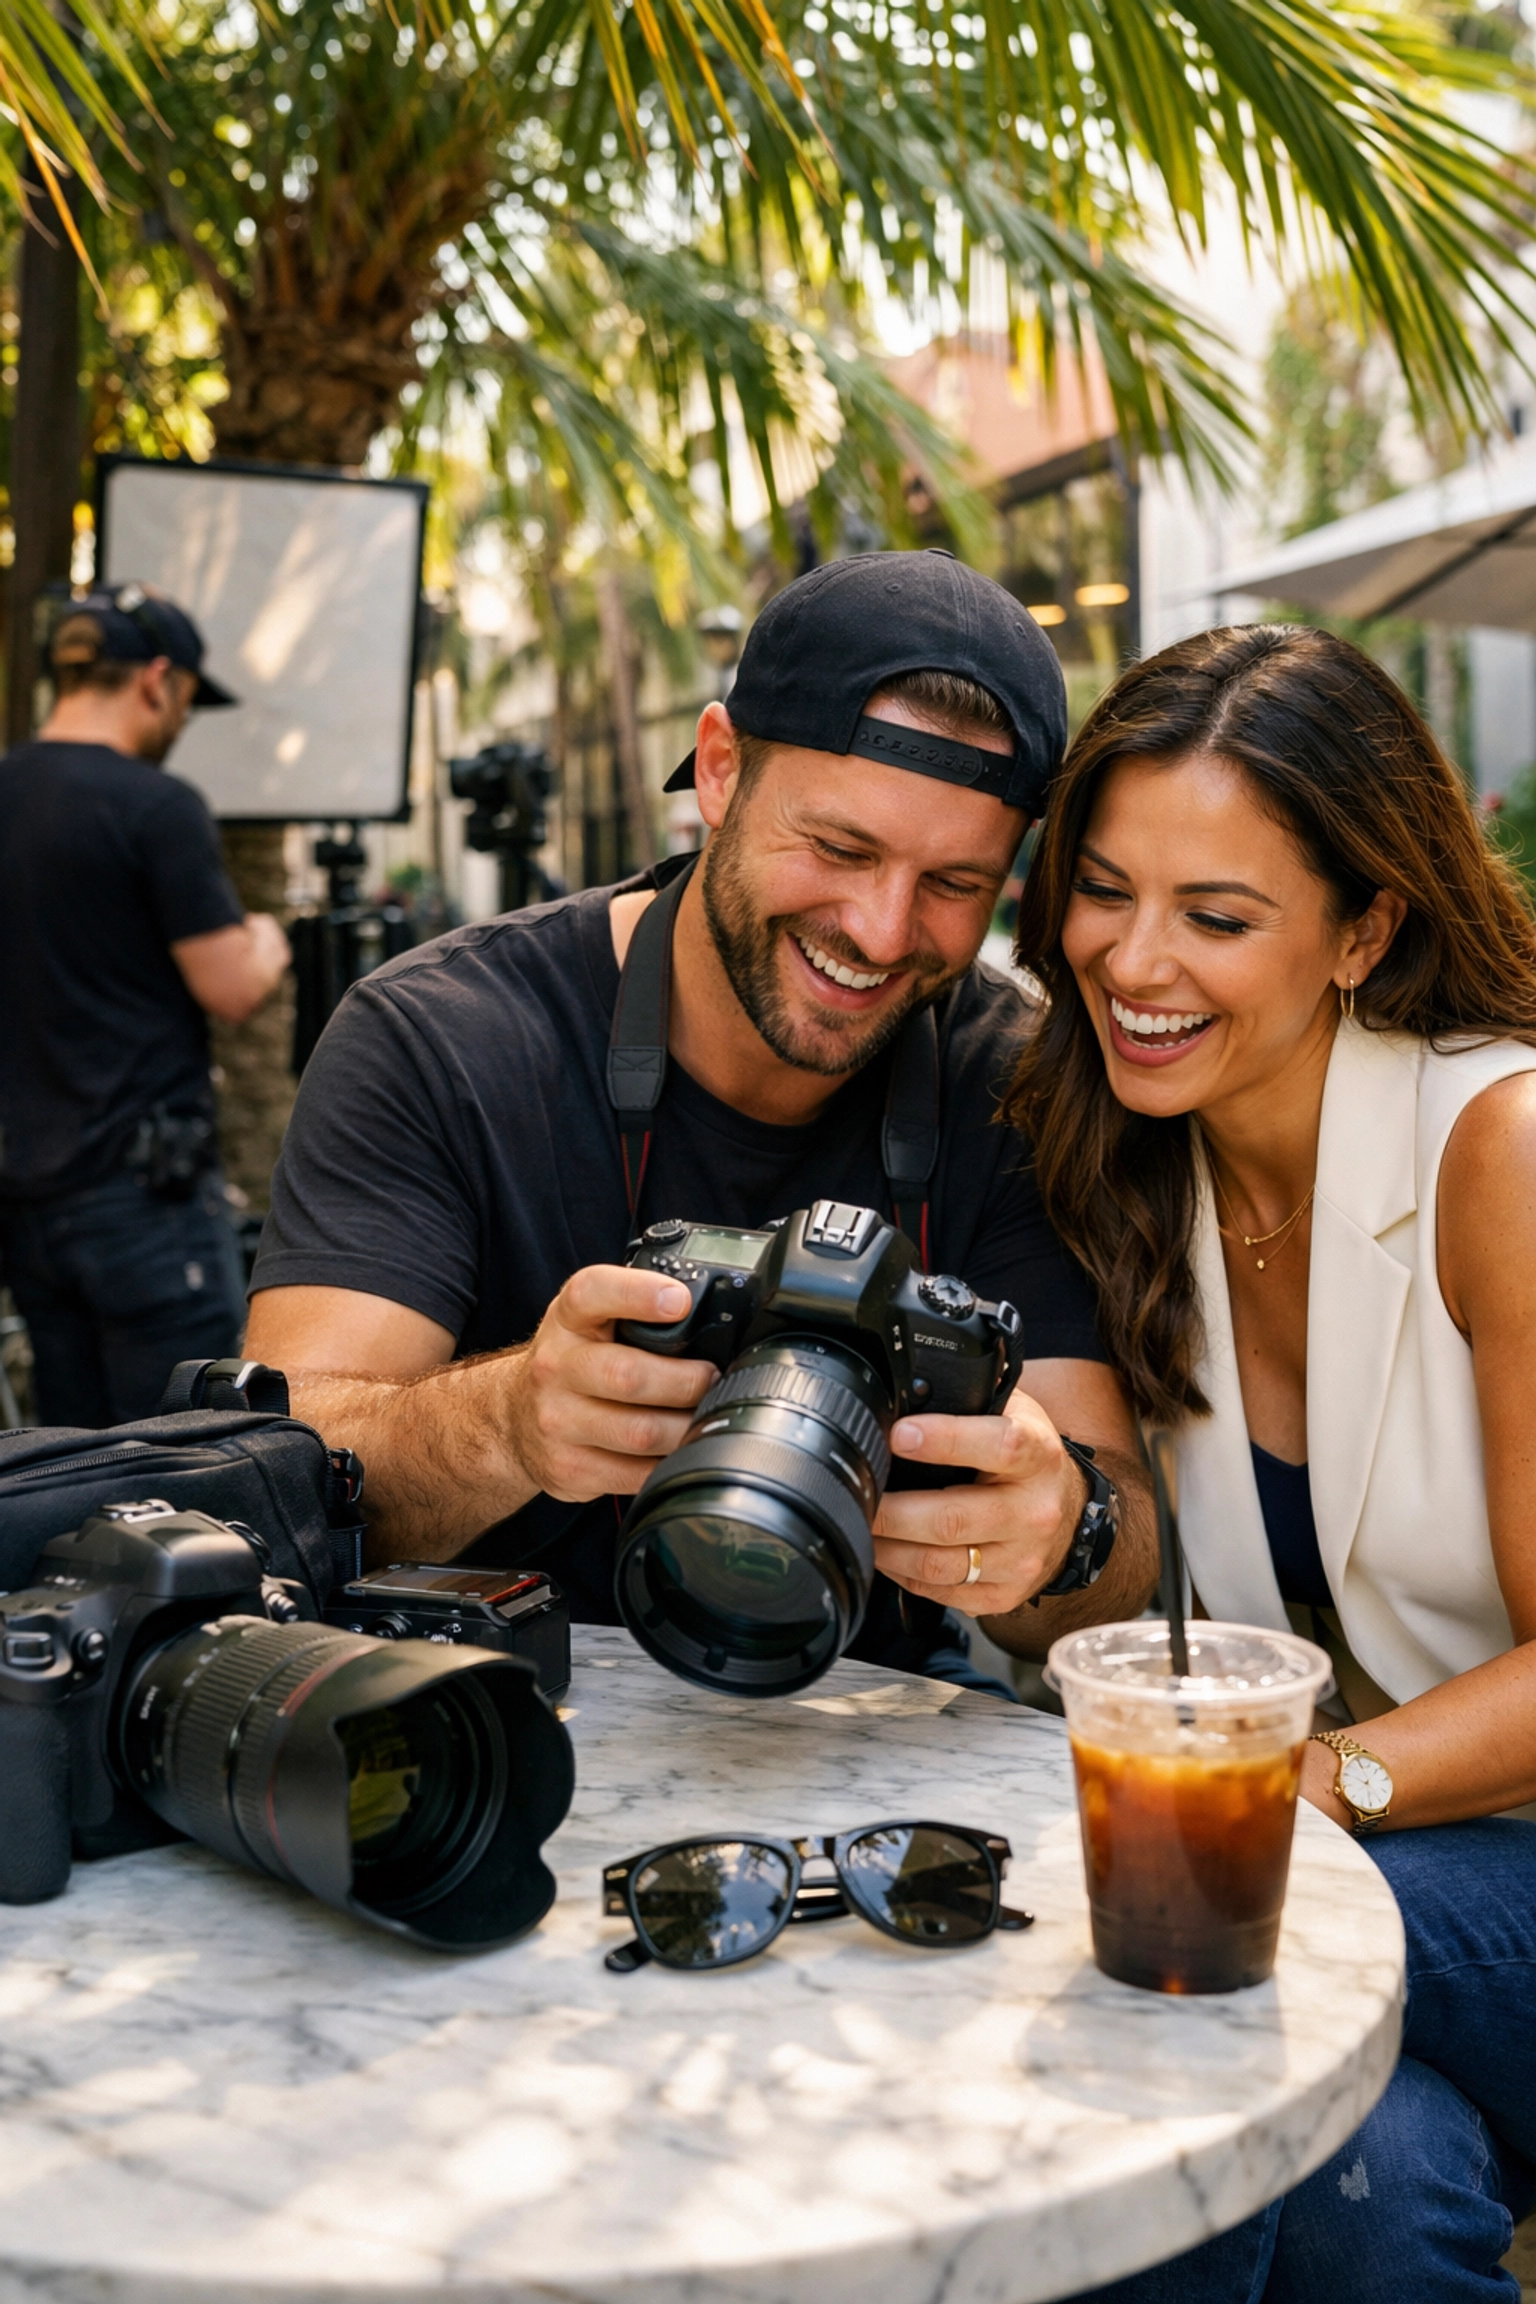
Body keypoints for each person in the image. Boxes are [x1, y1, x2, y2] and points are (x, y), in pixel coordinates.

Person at [245, 549, 1156, 1677]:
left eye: (955, 885)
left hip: (864, 1712)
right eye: (840, 848)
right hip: (477, 1703)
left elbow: (1106, 1561)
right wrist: (511, 1422)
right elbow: (282, 1478)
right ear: (720, 770)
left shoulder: (1014, 1081)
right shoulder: (442, 1037)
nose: (880, 931)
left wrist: (1063, 1532)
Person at [1003, 623, 1536, 2301]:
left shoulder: (1502, 1147)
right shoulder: (1120, 1158)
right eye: (1103, 890)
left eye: (1217, 917)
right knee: (1372, 2189)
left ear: (1366, 928)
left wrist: (1304, 1792)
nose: (1133, 958)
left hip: (1446, 1853)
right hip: (1318, 1861)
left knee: (1168, 1949)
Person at [0, 584, 290, 1428]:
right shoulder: (157, 808)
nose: (182, 722)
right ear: (157, 681)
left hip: (29, 1198)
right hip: (144, 1204)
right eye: (188, 701)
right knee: (186, 1448)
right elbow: (232, 988)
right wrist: (266, 937)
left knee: (73, 1456)